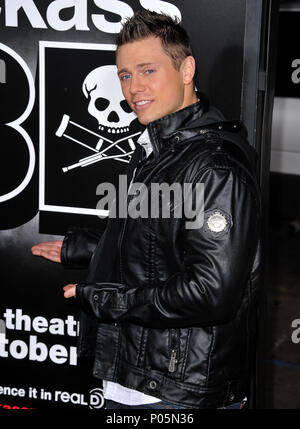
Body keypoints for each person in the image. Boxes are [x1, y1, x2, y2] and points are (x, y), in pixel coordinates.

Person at [32, 10, 261, 409]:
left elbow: (211, 292)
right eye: (125, 75)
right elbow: (153, 233)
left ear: (186, 69)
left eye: (148, 70)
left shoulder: (213, 167)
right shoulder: (158, 149)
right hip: (139, 377)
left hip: (178, 392)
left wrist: (107, 300)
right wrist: (84, 248)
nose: (133, 87)